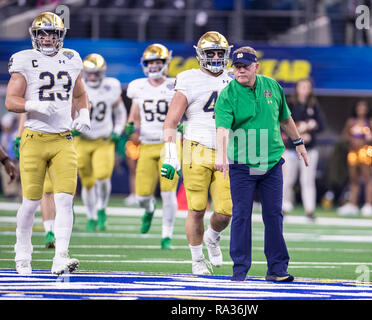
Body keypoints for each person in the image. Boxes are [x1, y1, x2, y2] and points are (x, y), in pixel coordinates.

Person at [5, 11, 91, 275]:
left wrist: (84, 112)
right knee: (30, 202)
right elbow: (10, 100)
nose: (46, 38)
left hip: (64, 139)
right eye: (42, 33)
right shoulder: (24, 60)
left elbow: (80, 93)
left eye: (52, 33)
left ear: (60, 36)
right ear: (34, 35)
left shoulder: (72, 58)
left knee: (65, 199)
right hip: (34, 138)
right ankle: (22, 253)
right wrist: (35, 104)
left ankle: (61, 257)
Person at [214, 46, 308, 282]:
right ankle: (239, 270)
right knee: (242, 215)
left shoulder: (272, 86)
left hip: (271, 162)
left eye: (245, 66)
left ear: (256, 66)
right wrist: (221, 154)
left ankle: (277, 269)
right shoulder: (227, 94)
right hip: (242, 164)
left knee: (274, 215)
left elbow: (285, 117)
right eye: (236, 66)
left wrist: (298, 142)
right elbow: (223, 128)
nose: (240, 70)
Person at [161, 31, 233, 274]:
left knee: (225, 212)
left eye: (218, 53)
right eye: (209, 53)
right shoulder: (189, 78)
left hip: (228, 150)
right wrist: (171, 155)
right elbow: (171, 121)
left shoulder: (235, 79)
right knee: (197, 208)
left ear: (226, 54)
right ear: (200, 54)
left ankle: (212, 237)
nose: (214, 57)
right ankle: (196, 259)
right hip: (196, 147)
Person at [125, 43, 179, 249]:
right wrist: (131, 125)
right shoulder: (138, 86)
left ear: (165, 63)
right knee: (141, 196)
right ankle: (149, 210)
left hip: (169, 144)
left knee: (168, 192)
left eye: (158, 62)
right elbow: (135, 112)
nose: (155, 66)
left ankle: (167, 236)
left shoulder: (175, 84)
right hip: (146, 144)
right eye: (151, 62)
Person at [74, 53, 126, 232]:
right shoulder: (76, 85)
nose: (93, 76)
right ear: (84, 73)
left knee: (103, 177)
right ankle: (91, 216)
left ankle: (102, 208)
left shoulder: (111, 86)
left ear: (103, 72)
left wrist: (117, 131)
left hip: (104, 140)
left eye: (97, 73)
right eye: (90, 73)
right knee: (87, 182)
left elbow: (120, 113)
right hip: (82, 140)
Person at [281, 78, 325, 220]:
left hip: (309, 149)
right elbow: (283, 123)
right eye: (302, 87)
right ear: (297, 88)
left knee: (307, 180)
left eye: (308, 87)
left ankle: (309, 210)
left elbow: (322, 125)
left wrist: (310, 134)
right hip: (291, 148)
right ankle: (281, 207)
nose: (305, 90)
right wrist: (297, 135)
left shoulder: (314, 105)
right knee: (287, 179)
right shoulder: (290, 104)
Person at [14, 113, 56, 248]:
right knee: (45, 190)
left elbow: (79, 103)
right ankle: (50, 231)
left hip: (61, 139)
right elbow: (24, 110)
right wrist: (19, 135)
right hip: (35, 139)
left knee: (64, 192)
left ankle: (57, 229)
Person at [338, 100, 372, 216]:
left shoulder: (371, 122)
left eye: (364, 107)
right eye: (359, 107)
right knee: (353, 179)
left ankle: (369, 205)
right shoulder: (351, 122)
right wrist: (352, 140)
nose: (361, 109)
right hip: (353, 153)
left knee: (367, 178)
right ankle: (352, 204)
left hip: (366, 153)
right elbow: (344, 136)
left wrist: (370, 138)